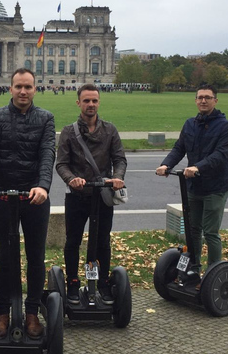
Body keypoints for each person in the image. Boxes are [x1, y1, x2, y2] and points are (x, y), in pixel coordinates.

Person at [0, 68, 55, 341]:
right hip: (2, 197)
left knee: (35, 256)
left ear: (35, 89)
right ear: (10, 88)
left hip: (35, 197)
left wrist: (43, 186)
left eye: (28, 87)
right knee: (5, 257)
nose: (23, 91)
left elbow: (48, 154)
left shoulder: (46, 118)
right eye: (18, 86)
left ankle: (32, 310)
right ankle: (3, 311)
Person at [55, 84, 127, 305]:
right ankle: (73, 282)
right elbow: (62, 164)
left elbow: (120, 159)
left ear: (99, 102)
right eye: (86, 101)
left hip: (102, 195)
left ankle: (102, 282)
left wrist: (117, 177)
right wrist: (71, 179)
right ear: (79, 103)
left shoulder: (110, 130)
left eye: (94, 101)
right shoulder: (69, 132)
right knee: (73, 241)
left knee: (102, 241)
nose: (91, 105)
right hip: (78, 195)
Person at [155, 84, 228, 271]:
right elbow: (179, 148)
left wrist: (198, 167)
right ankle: (193, 268)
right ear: (196, 100)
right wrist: (167, 165)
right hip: (193, 186)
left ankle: (213, 274)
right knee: (193, 231)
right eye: (200, 97)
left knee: (211, 233)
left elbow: (220, 155)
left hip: (215, 187)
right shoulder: (190, 124)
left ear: (215, 100)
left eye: (207, 97)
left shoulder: (224, 126)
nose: (203, 101)